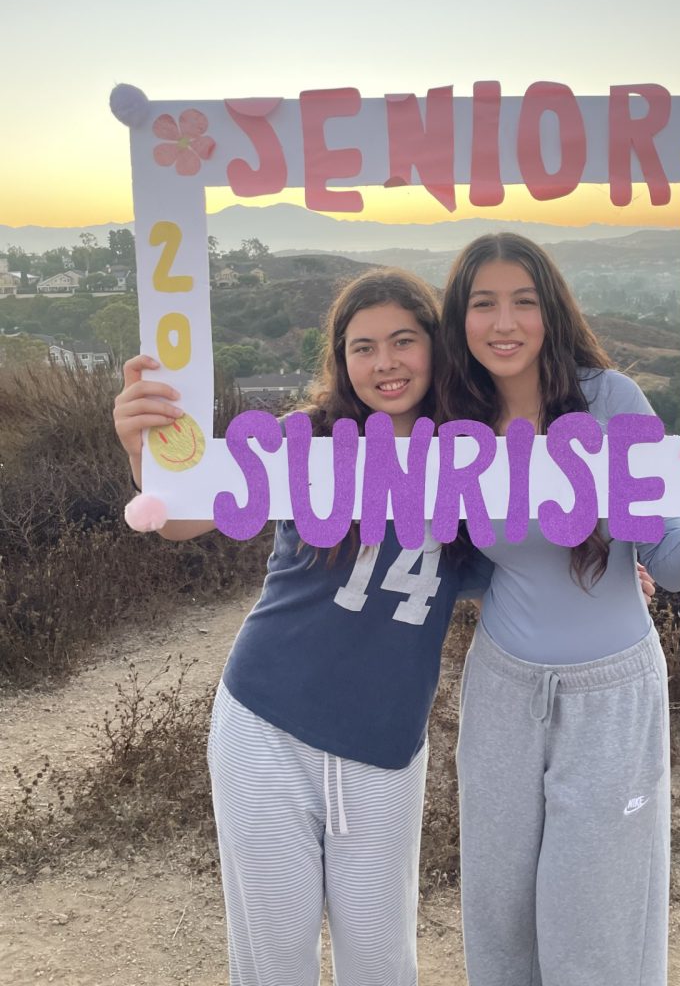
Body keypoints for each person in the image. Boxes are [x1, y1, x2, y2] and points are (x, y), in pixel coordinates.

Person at [113, 267, 496, 986]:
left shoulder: (475, 457)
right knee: (272, 958)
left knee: (381, 962)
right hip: (265, 723)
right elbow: (190, 517)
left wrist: (608, 571)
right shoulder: (308, 440)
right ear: (341, 360)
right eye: (363, 347)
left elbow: (526, 559)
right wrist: (145, 454)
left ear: (437, 348)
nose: (385, 362)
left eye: (404, 341)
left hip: (384, 746)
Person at [436, 233, 680, 986]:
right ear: (459, 319)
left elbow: (673, 566)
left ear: (551, 312)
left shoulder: (610, 401)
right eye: (483, 302)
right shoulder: (453, 419)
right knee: (500, 913)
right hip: (501, 692)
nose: (504, 321)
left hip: (611, 697)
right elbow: (459, 563)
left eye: (524, 301)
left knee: (598, 922)